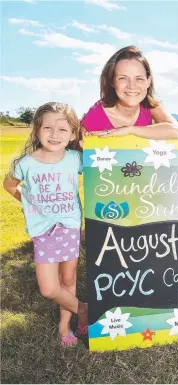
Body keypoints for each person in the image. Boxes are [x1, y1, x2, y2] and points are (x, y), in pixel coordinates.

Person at [3, 102, 89, 346]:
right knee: (49, 288)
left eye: (63, 130)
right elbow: (9, 185)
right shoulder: (26, 163)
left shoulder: (75, 158)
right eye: (47, 128)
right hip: (43, 232)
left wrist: (91, 147)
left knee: (68, 280)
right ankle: (83, 310)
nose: (54, 135)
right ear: (37, 131)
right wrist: (28, 202)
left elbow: (102, 169)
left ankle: (65, 329)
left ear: (73, 134)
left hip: (70, 226)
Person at [82, 45, 178, 139]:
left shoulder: (150, 105)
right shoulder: (97, 114)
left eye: (139, 79)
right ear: (111, 81)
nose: (132, 86)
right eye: (123, 78)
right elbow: (83, 147)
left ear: (148, 81)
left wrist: (130, 130)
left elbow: (176, 131)